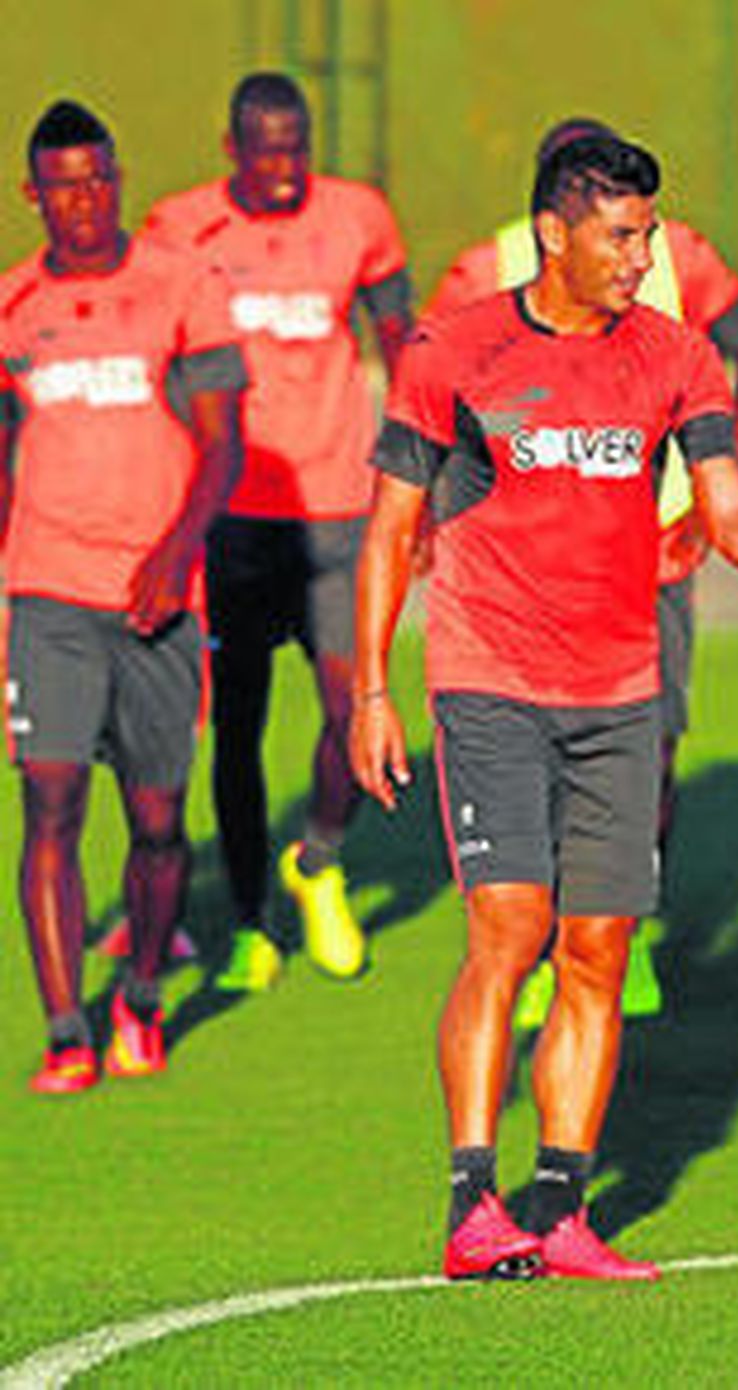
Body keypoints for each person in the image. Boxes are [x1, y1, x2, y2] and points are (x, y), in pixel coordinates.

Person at [351, 131, 738, 1280]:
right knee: (510, 929)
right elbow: (393, 529)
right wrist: (369, 690)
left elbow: (726, 506)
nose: (641, 257)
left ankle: (560, 1208)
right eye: (620, 236)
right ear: (554, 233)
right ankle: (474, 1204)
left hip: (619, 691)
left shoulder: (676, 354)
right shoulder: (455, 351)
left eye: (648, 234)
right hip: (490, 681)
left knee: (598, 948)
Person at [430, 117, 738, 1026]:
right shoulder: (486, 270)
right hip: (523, 578)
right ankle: (543, 934)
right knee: (535, 761)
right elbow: (429, 391)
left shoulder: (679, 256)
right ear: (554, 216)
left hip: (652, 553)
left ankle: (624, 926)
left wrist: (714, 496)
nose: (632, 252)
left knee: (652, 744)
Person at [143, 72, 413, 992]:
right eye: (267, 152)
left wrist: (418, 480)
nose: (286, 168)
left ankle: (319, 860)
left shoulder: (359, 217)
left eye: (297, 148)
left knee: (351, 708)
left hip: (339, 513)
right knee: (239, 728)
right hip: (233, 522)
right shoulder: (180, 228)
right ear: (233, 150)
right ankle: (253, 921)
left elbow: (405, 345)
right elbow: (154, 357)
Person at [0, 100, 247, 1093]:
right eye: (66, 186)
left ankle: (141, 995)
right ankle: (67, 1029)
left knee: (156, 819)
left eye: (100, 179)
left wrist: (174, 556)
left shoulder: (182, 285)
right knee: (49, 803)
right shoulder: (13, 306)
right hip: (49, 591)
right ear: (35, 196)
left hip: (160, 598)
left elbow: (223, 445)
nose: (87, 200)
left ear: (118, 181)